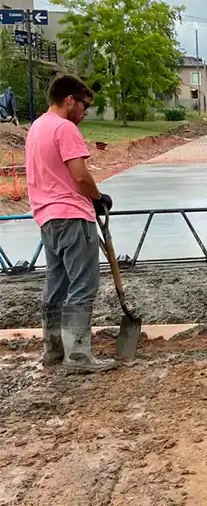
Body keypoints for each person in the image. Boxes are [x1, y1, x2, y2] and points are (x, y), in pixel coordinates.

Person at [25, 74, 116, 373]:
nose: (86, 112)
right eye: (85, 105)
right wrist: (98, 196)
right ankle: (77, 355)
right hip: (72, 214)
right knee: (83, 284)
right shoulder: (65, 129)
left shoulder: (37, 127)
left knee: (57, 283)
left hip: (46, 217)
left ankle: (53, 350)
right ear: (69, 100)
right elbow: (79, 175)